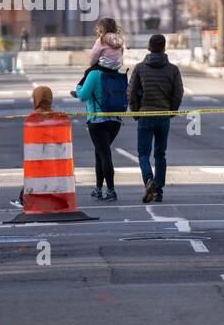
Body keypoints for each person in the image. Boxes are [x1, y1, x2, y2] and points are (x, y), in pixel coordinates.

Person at [128, 33, 183, 203]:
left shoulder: (139, 68)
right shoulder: (173, 70)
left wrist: (136, 111)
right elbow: (178, 93)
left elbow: (131, 92)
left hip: (145, 114)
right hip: (163, 116)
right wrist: (171, 111)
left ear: (149, 48)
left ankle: (148, 180)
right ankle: (158, 190)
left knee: (143, 153)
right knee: (160, 154)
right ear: (164, 48)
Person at [73, 54, 125, 201]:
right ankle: (98, 189)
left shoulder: (94, 74)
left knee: (104, 155)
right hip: (115, 121)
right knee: (100, 154)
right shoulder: (117, 76)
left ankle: (111, 190)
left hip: (97, 121)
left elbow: (83, 95)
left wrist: (78, 86)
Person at [12, 85, 63, 208]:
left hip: (38, 154)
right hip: (55, 153)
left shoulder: (33, 117)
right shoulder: (57, 115)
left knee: (33, 176)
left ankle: (23, 199)